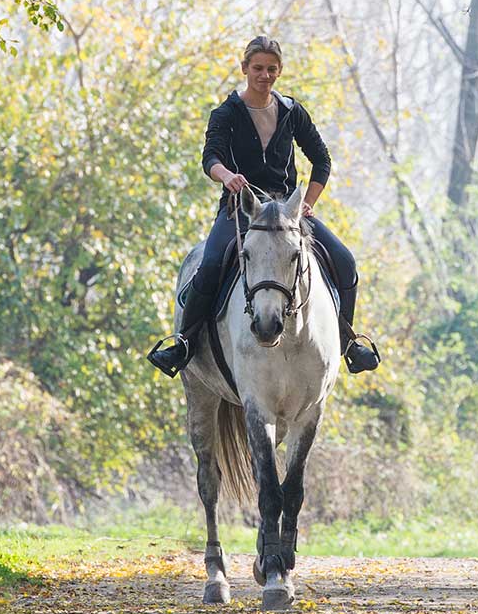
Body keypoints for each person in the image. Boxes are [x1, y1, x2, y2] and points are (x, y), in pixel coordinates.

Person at [146, 36, 380, 377]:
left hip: (287, 213)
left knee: (344, 261)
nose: (264, 75)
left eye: (271, 69)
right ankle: (184, 342)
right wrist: (227, 176)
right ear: (244, 68)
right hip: (241, 210)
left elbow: (322, 160)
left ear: (279, 71)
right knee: (210, 264)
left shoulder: (292, 112)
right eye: (258, 68)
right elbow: (210, 157)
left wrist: (307, 204)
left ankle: (347, 342)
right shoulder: (226, 113)